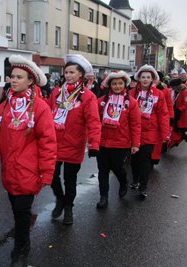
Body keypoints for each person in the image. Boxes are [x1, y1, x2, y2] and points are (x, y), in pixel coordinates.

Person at [0, 54, 56, 266]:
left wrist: (46, 172)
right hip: (9, 171)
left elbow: (48, 141)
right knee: (17, 210)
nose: (14, 80)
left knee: (20, 212)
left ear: (30, 81)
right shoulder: (4, 106)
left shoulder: (40, 107)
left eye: (19, 77)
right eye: (12, 76)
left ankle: (22, 247)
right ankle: (23, 233)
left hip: (29, 172)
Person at [48, 54, 101, 225]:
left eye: (72, 72)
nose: (68, 75)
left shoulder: (88, 96)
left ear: (81, 75)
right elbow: (46, 115)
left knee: (69, 180)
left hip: (74, 143)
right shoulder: (56, 92)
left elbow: (93, 121)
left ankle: (68, 208)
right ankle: (60, 200)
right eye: (66, 72)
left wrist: (94, 143)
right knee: (51, 176)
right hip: (54, 142)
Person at [95, 71, 141, 209]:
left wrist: (135, 144)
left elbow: (135, 124)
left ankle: (123, 181)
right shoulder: (101, 102)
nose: (117, 86)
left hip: (121, 143)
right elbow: (94, 122)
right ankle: (103, 197)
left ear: (124, 84)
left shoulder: (131, 103)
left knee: (117, 168)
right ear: (110, 85)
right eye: (114, 83)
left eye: (120, 83)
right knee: (102, 170)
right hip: (102, 142)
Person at [129, 65, 169, 199]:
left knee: (145, 160)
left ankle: (143, 187)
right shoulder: (132, 93)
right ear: (139, 78)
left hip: (150, 131)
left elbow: (163, 114)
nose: (145, 80)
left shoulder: (159, 94)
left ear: (152, 79)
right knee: (134, 159)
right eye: (143, 77)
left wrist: (165, 134)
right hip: (134, 131)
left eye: (148, 77)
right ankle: (135, 180)